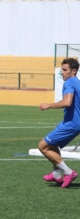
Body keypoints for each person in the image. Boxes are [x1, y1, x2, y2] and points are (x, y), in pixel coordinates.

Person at [38, 58, 80, 188]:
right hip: (72, 122)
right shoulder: (77, 82)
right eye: (61, 69)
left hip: (71, 124)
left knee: (43, 146)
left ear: (73, 71)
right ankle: (56, 174)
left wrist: (49, 105)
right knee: (53, 145)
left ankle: (68, 172)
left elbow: (67, 102)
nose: (62, 72)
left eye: (65, 70)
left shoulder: (69, 82)